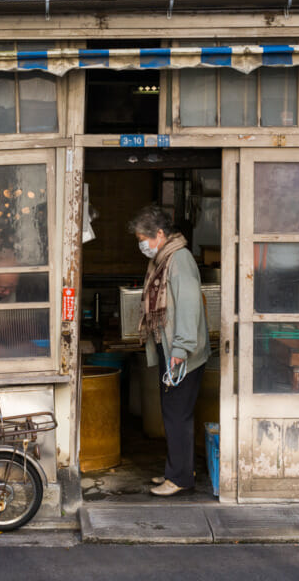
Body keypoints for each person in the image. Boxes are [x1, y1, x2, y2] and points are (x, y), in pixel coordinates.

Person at [128, 204, 209, 497]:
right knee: (174, 412)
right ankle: (178, 470)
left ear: (159, 234)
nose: (142, 245)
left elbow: (188, 307)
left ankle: (180, 480)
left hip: (181, 352)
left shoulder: (180, 260)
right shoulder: (165, 259)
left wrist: (181, 349)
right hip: (172, 348)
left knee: (177, 414)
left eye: (143, 239)